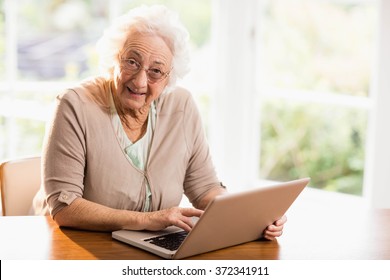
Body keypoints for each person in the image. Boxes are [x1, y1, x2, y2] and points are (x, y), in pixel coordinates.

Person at [32, 5, 286, 241]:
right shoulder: (74, 105)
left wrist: (251, 218)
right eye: (131, 62)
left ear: (169, 78)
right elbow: (65, 208)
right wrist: (148, 220)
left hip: (147, 246)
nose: (140, 81)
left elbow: (205, 189)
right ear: (114, 60)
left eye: (156, 71)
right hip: (74, 245)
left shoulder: (182, 106)